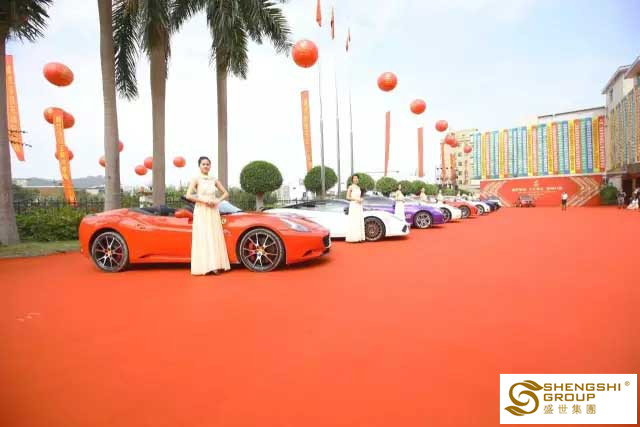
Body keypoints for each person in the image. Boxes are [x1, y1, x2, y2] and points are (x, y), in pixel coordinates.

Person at [185, 156, 231, 276]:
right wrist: (204, 201)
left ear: (210, 166)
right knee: (204, 236)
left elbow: (226, 193)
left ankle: (215, 266)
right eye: (203, 164)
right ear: (199, 166)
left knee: (214, 236)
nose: (206, 166)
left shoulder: (214, 179)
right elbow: (188, 195)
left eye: (207, 164)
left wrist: (217, 201)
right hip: (202, 210)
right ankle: (205, 266)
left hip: (213, 210)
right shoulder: (196, 179)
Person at [345, 175, 365, 242]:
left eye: (357, 178)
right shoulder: (350, 187)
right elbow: (347, 197)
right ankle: (353, 238)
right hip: (353, 205)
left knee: (359, 220)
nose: (356, 179)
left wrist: (361, 199)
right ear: (352, 180)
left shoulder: (359, 187)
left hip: (359, 205)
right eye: (354, 178)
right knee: (354, 220)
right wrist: (356, 199)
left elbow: (360, 196)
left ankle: (359, 237)